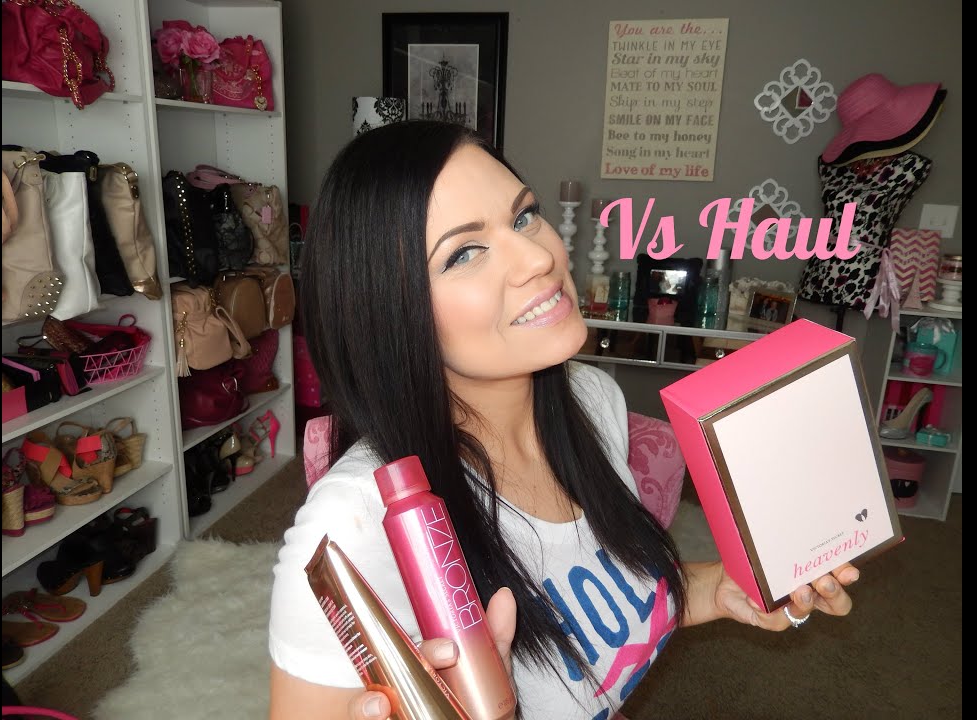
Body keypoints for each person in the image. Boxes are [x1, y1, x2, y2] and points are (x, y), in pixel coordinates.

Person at [267, 120, 860, 720]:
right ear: (386, 312)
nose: (539, 256)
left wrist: (715, 588)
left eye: (524, 216)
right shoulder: (353, 530)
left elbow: (605, 603)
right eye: (465, 253)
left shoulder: (592, 400)